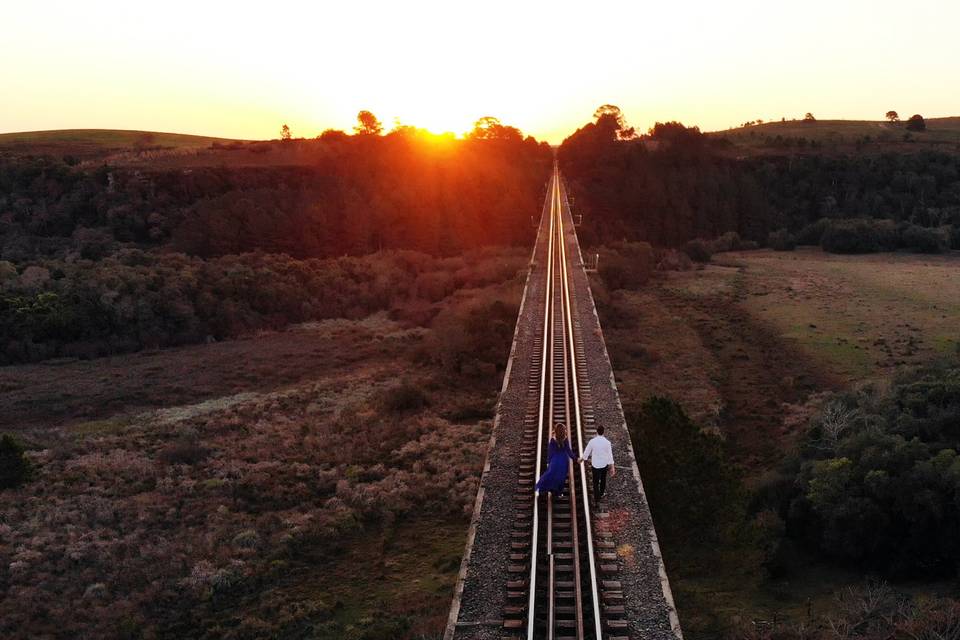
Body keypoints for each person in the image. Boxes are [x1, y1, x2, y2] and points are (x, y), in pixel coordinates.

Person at [535, 423, 576, 497]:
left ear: (555, 431)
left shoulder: (553, 440)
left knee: (549, 475)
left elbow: (550, 452)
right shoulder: (565, 439)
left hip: (555, 460)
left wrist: (548, 462)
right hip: (563, 461)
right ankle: (558, 492)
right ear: (564, 431)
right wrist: (576, 458)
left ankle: (543, 489)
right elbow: (569, 451)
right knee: (561, 477)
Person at [578, 425, 615, 502]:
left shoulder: (592, 441)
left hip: (595, 465)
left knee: (595, 481)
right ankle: (601, 493)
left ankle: (596, 497)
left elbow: (587, 452)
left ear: (596, 432)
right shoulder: (607, 443)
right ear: (603, 432)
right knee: (603, 479)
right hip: (604, 465)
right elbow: (610, 455)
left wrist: (582, 459)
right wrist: (612, 467)